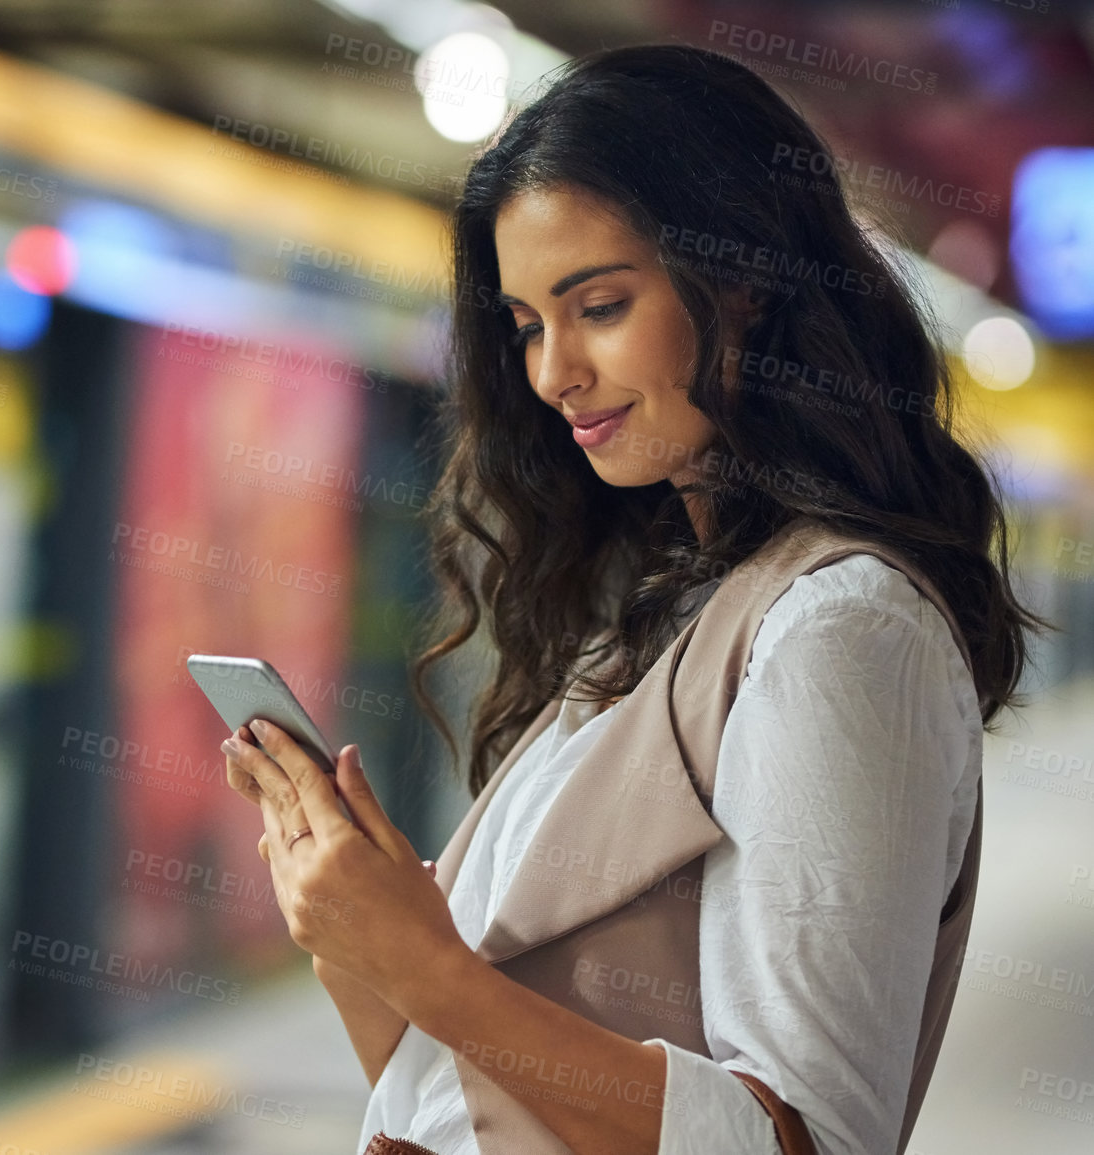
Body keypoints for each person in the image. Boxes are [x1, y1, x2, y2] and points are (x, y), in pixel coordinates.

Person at [219, 43, 1046, 1155]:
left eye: (598, 305)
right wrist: (353, 936)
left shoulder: (840, 629)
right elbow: (464, 1103)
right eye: (523, 326)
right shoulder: (654, 624)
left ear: (748, 286)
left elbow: (810, 1142)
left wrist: (425, 963)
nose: (552, 371)